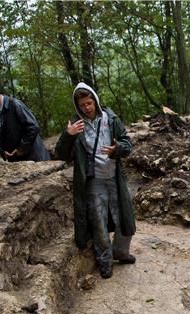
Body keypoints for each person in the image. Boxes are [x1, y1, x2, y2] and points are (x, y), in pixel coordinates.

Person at [55, 82, 137, 279]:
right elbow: (61, 154)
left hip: (114, 176)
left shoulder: (111, 118)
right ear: (78, 106)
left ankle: (121, 252)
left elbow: (127, 143)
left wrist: (117, 148)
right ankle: (104, 261)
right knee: (98, 221)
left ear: (95, 101)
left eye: (90, 103)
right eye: (82, 105)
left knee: (123, 215)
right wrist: (68, 135)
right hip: (92, 180)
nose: (87, 108)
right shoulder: (75, 125)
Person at [0, 80, 50, 162]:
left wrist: (21, 148)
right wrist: (2, 151)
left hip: (35, 157)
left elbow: (33, 127)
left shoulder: (15, 105)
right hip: (15, 161)